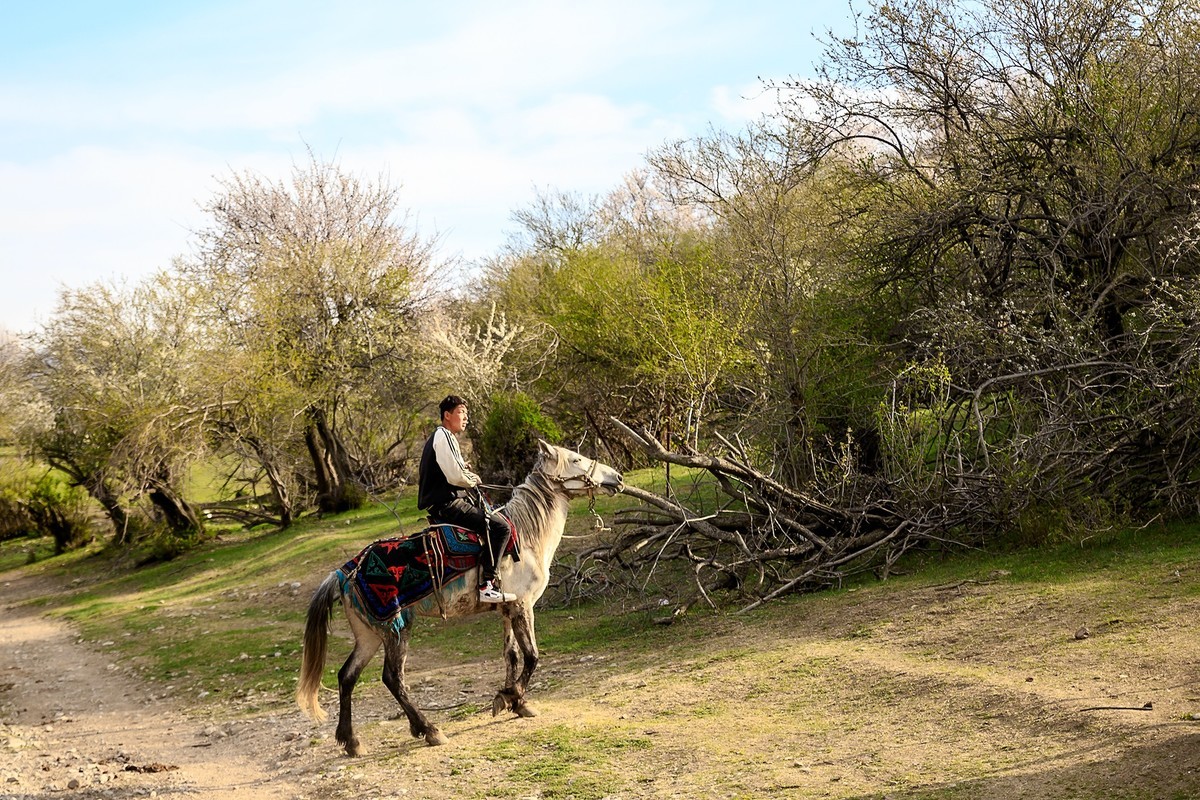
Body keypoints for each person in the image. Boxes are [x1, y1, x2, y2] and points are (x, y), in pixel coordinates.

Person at [417, 395, 516, 603]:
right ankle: (486, 584)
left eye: (466, 413)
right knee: (500, 527)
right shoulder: (443, 436)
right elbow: (455, 476)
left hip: (445, 502)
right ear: (447, 415)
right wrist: (472, 479)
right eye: (462, 412)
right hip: (448, 504)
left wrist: (465, 472)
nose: (466, 418)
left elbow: (454, 470)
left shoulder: (445, 437)